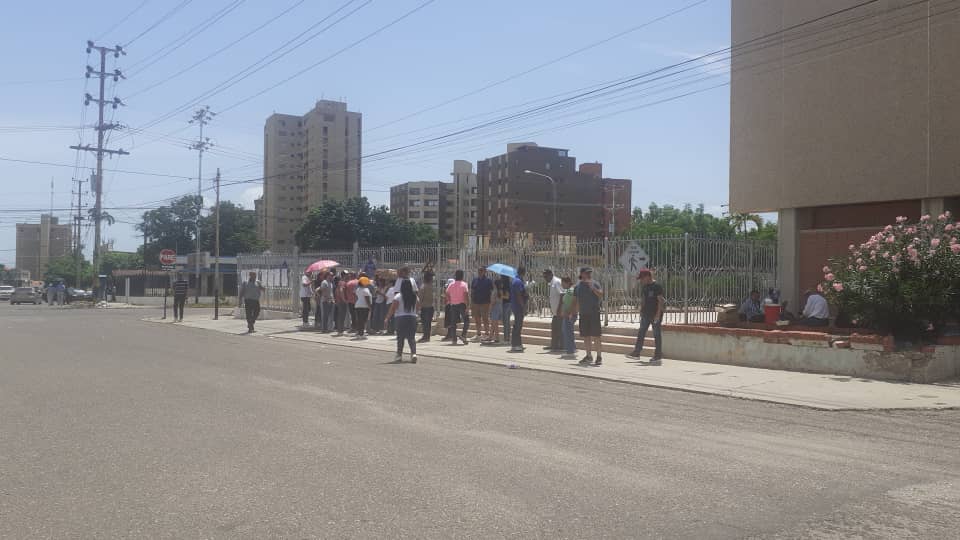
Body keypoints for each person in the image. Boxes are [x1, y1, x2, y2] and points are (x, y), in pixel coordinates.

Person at [628, 269, 665, 365]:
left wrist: (657, 314)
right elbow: (644, 299)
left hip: (655, 314)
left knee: (656, 335)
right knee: (641, 332)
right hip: (646, 314)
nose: (641, 280)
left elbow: (660, 301)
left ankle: (658, 356)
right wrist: (641, 310)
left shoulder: (657, 286)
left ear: (648, 276)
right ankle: (637, 352)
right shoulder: (645, 287)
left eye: (642, 278)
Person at [570, 267, 603, 365]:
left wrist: (593, 288)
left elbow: (601, 294)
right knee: (586, 336)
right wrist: (573, 312)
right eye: (586, 273)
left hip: (594, 313)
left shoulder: (595, 283)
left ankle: (599, 356)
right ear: (582, 274)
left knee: (596, 336)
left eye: (590, 273)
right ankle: (589, 356)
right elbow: (575, 300)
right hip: (583, 314)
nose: (589, 274)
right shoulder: (578, 286)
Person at [385, 278, 420, 363]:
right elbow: (418, 306)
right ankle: (413, 354)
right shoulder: (415, 296)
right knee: (411, 337)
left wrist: (387, 318)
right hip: (412, 317)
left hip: (400, 318)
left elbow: (393, 308)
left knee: (400, 337)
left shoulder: (398, 296)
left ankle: (399, 355)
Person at [470, 266, 494, 342]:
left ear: (485, 272)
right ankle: (478, 334)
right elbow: (472, 291)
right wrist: (472, 303)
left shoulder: (488, 281)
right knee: (477, 319)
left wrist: (491, 303)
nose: (479, 272)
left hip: (485, 303)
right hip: (476, 303)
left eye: (481, 270)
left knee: (485, 319)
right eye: (479, 270)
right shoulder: (475, 280)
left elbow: (492, 291)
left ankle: (487, 334)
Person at [446, 270, 470, 345]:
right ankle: (463, 335)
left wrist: (450, 301)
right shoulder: (464, 284)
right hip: (462, 304)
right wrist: (468, 306)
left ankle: (454, 339)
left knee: (453, 322)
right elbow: (466, 295)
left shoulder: (451, 284)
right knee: (466, 320)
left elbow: (446, 293)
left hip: (453, 305)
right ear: (462, 276)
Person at [543, 269, 564, 351]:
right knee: (555, 328)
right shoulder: (552, 283)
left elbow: (562, 294)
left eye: (546, 276)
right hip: (555, 312)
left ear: (551, 274)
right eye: (544, 277)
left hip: (559, 311)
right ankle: (554, 345)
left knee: (560, 329)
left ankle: (561, 346)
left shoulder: (556, 282)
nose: (545, 278)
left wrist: (559, 308)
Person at [508, 267, 528, 353]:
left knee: (518, 325)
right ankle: (515, 345)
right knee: (518, 326)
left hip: (515, 306)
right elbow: (519, 295)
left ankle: (518, 344)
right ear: (523, 273)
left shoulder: (515, 280)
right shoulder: (518, 281)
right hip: (518, 307)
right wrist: (523, 306)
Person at [559, 276, 577, 359]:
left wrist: (568, 312)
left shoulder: (570, 291)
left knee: (568, 332)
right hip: (569, 314)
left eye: (562, 283)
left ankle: (570, 352)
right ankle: (572, 349)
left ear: (567, 283)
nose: (562, 285)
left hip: (569, 315)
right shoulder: (569, 290)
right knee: (569, 332)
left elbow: (573, 302)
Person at [418, 272, 435, 342]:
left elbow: (420, 298)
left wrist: (418, 307)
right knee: (428, 323)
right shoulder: (431, 286)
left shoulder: (423, 286)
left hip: (425, 307)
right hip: (430, 307)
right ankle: (427, 337)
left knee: (425, 323)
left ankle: (425, 336)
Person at [497, 274, 512, 344]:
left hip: (506, 305)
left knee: (506, 322)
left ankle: (506, 339)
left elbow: (507, 297)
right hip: (508, 304)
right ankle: (507, 338)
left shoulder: (506, 286)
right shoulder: (509, 285)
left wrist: (500, 296)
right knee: (507, 322)